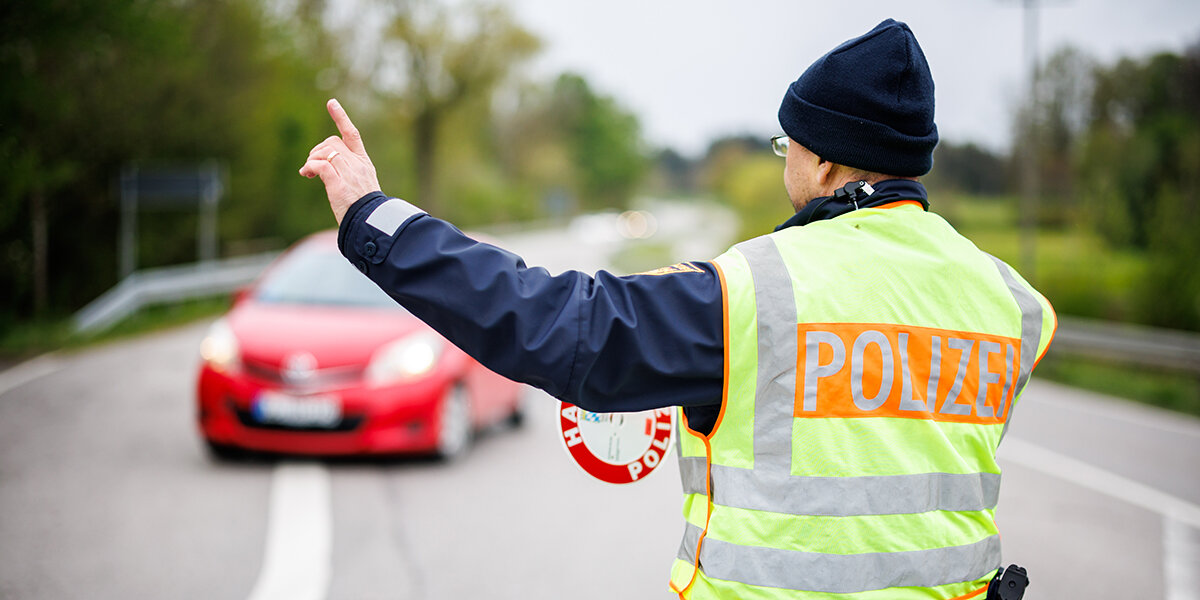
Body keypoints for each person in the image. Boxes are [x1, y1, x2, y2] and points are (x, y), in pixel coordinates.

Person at [299, 18, 1054, 600]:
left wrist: (375, 217)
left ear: (822, 158)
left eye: (784, 142)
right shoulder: (1010, 301)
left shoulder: (756, 290)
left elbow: (556, 322)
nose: (783, 155)